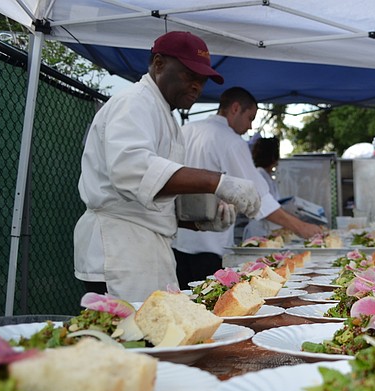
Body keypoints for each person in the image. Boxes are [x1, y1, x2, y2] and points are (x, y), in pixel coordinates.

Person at [73, 31, 261, 302]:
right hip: (120, 247)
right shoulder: (134, 103)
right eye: (189, 75)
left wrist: (198, 219)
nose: (197, 86)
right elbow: (131, 170)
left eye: (202, 80)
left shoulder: (164, 114)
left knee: (157, 336)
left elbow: (153, 194)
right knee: (131, 338)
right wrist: (218, 181)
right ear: (159, 64)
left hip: (148, 248)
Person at [173, 88, 321, 287]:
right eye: (250, 118)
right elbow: (258, 198)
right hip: (210, 246)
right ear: (235, 109)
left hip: (177, 243)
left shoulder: (186, 130)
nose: (250, 127)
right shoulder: (230, 141)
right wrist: (301, 227)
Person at [242, 137, 321, 240]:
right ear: (273, 156)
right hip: (259, 230)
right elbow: (265, 207)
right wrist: (300, 226)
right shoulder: (259, 175)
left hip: (270, 229)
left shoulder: (268, 176)